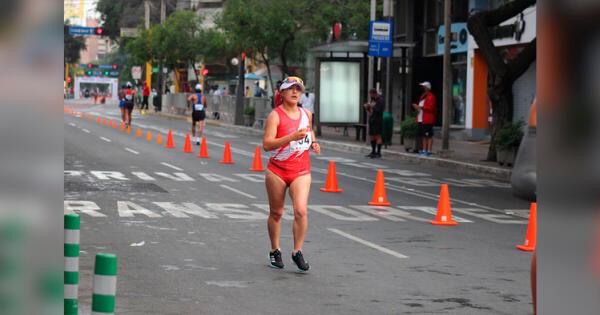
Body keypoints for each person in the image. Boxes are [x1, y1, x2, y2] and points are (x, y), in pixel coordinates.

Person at [263, 76, 320, 272]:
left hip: (301, 170)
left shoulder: (306, 114)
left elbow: (309, 131)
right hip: (277, 170)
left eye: (299, 89)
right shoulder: (275, 116)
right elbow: (267, 145)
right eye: (291, 89)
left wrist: (313, 142)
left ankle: (297, 251)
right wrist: (290, 137)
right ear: (282, 93)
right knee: (276, 212)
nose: (295, 92)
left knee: (301, 211)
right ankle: (275, 250)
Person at [412, 81, 437, 156]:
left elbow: (431, 108)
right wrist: (417, 107)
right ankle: (424, 149)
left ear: (427, 88)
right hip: (421, 118)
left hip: (428, 119)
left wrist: (421, 107)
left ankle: (428, 150)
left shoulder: (431, 96)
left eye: (424, 86)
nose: (422, 88)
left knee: (428, 135)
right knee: (423, 135)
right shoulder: (423, 96)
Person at [363, 89, 384, 158]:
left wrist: (370, 107)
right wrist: (367, 108)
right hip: (371, 119)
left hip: (377, 120)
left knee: (378, 136)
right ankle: (373, 151)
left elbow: (378, 110)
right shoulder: (372, 100)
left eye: (371, 94)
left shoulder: (380, 100)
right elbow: (370, 111)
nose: (370, 96)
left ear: (374, 94)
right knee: (372, 136)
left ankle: (378, 152)